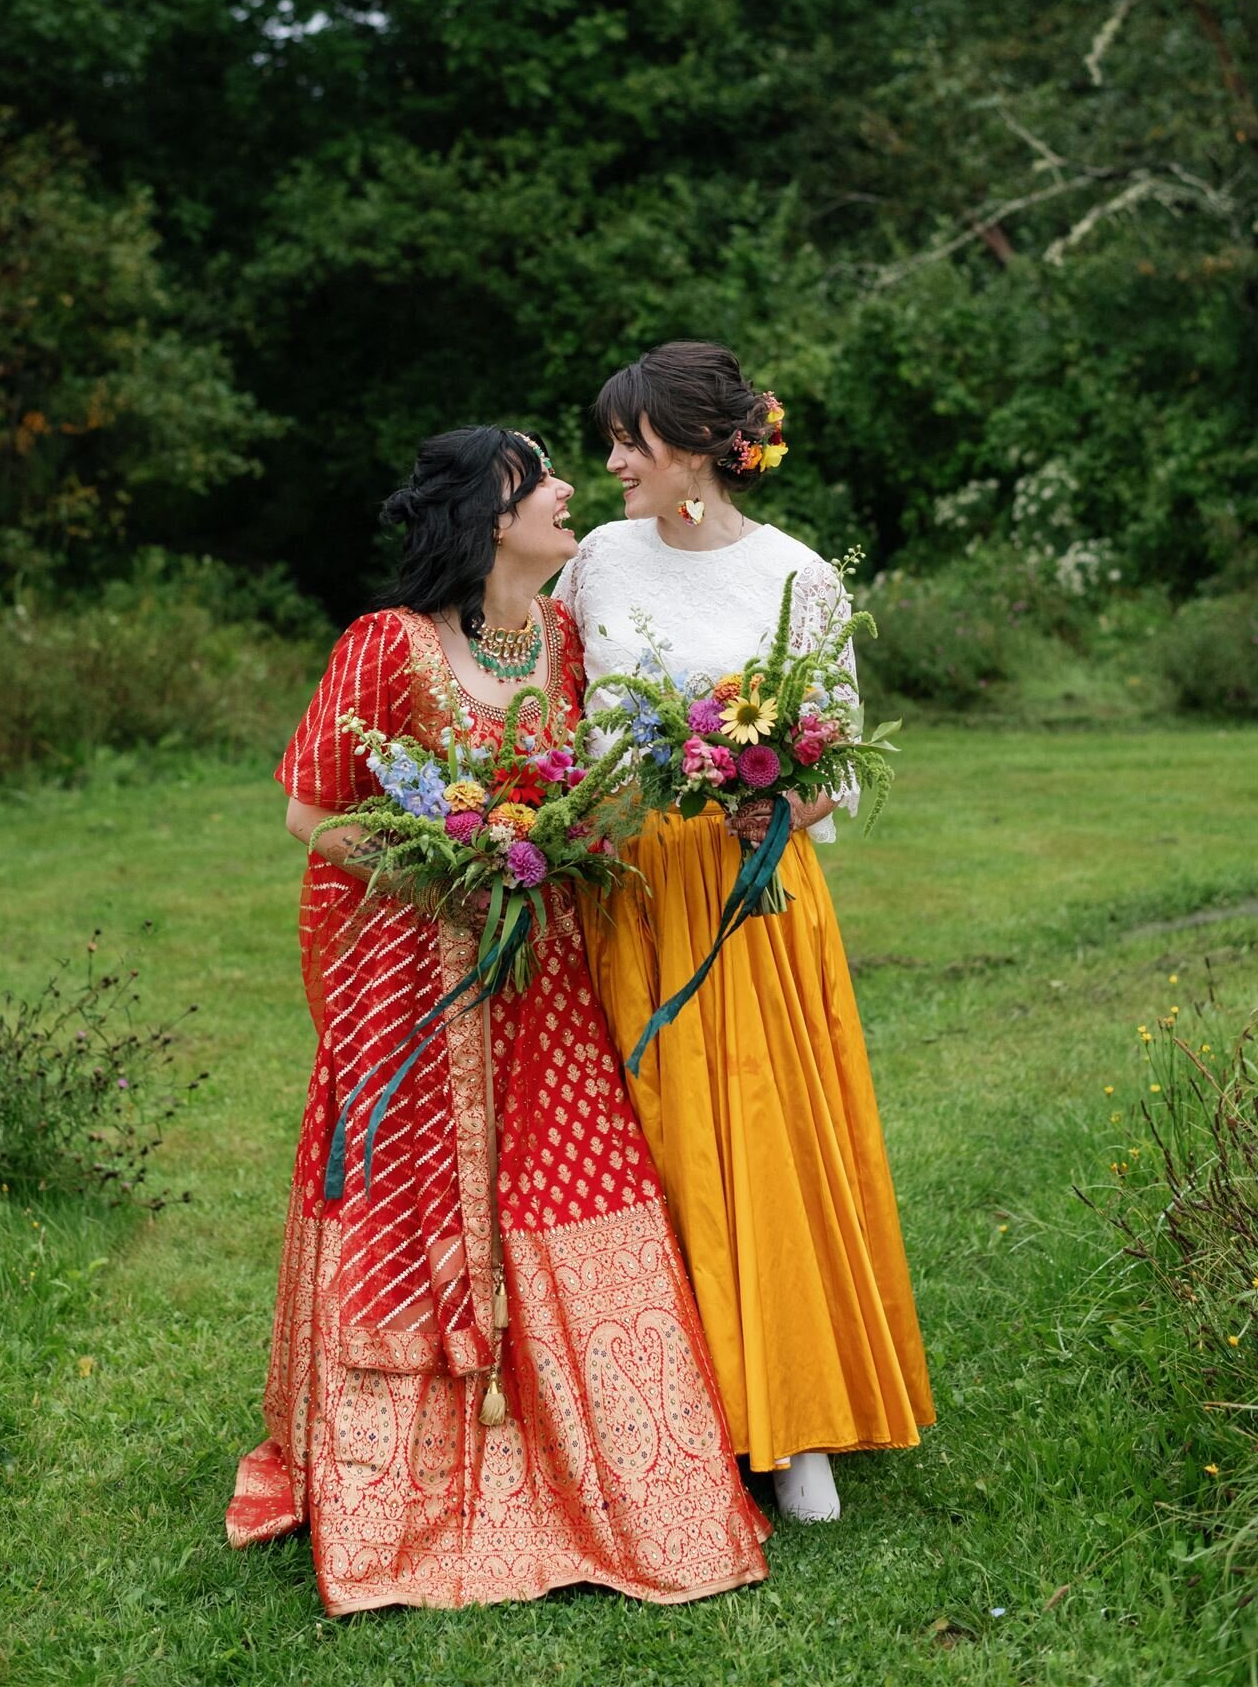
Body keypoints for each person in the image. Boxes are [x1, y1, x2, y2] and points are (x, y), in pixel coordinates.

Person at [226, 424, 768, 1612]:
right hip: (414, 993)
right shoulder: (387, 646)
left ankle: (626, 1482)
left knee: (578, 1187)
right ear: (486, 517)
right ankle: (402, 1493)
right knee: (415, 1203)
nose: (567, 486)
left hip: (547, 984)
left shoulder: (566, 639)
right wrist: (448, 868)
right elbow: (312, 812)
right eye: (538, 477)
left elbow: (598, 787)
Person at [555, 343, 934, 1523]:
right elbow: (558, 713)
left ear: (695, 452)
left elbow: (840, 762)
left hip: (749, 897)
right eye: (611, 441)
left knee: (764, 1143)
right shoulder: (597, 562)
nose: (611, 462)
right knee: (644, 1143)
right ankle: (661, 1413)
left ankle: (792, 1418)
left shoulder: (801, 577)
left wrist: (775, 794)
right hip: (629, 888)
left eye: (631, 441)